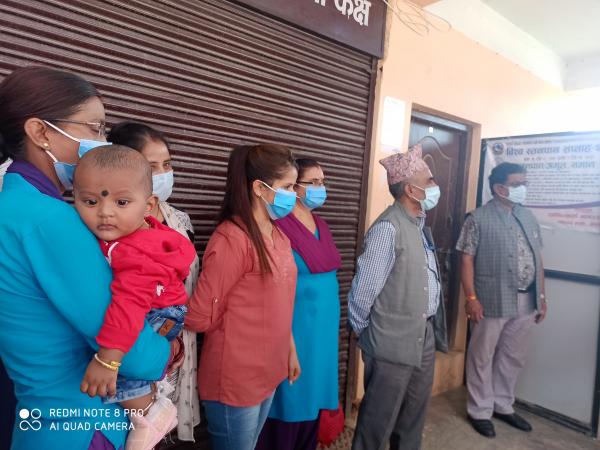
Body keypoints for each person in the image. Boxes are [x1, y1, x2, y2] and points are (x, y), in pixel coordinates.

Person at [0, 66, 178, 450]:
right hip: (83, 423)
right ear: (40, 132)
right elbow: (129, 350)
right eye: (94, 128)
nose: (102, 142)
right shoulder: (48, 219)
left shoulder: (13, 206)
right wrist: (167, 349)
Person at [73, 145, 195, 449]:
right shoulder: (133, 233)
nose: (105, 212)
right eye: (90, 201)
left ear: (148, 205)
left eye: (122, 202)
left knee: (124, 369)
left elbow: (128, 305)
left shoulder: (136, 251)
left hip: (158, 311)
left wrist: (107, 360)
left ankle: (152, 415)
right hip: (164, 309)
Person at [185, 143, 300, 450]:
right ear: (259, 188)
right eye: (288, 187)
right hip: (236, 378)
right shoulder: (232, 239)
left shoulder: (279, 235)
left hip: (269, 370)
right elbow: (199, 315)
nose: (294, 195)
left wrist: (289, 350)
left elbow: (280, 303)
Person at [348, 144, 448, 450]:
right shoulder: (388, 228)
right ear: (410, 189)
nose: (435, 185)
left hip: (423, 335)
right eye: (429, 180)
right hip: (390, 341)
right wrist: (370, 334)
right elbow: (363, 292)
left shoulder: (419, 225)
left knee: (412, 419)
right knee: (377, 423)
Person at [108, 122, 201, 443]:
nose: (163, 174)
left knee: (164, 422)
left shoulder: (180, 220)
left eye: (167, 165)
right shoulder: (109, 221)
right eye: (152, 166)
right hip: (132, 342)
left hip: (176, 342)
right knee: (134, 426)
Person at [456, 162, 547, 438]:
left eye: (524, 183)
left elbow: (538, 258)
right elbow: (466, 259)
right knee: (482, 356)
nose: (523, 189)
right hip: (491, 299)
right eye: (518, 184)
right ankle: (479, 410)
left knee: (513, 356)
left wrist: (542, 296)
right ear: (499, 188)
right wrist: (471, 298)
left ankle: (502, 404)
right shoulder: (477, 218)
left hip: (526, 299)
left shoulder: (527, 216)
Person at [256, 158, 341, 450]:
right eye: (312, 182)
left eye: (322, 182)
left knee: (315, 395)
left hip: (323, 331)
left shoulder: (321, 225)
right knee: (290, 396)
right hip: (295, 327)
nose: (320, 188)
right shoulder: (278, 226)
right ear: (294, 187)